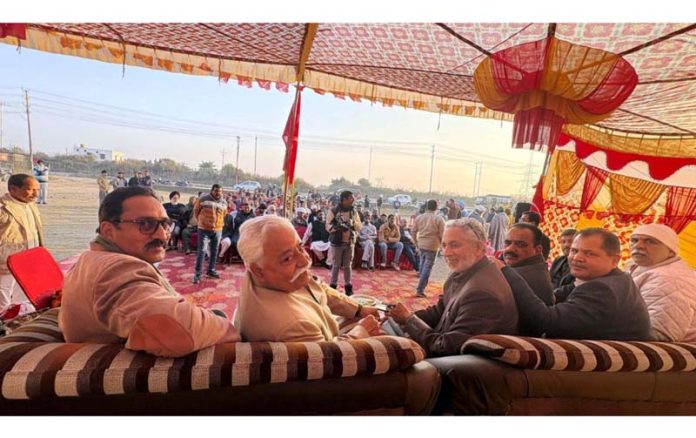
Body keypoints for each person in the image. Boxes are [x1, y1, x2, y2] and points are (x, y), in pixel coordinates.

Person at [58, 186, 239, 357]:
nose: (161, 235)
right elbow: (176, 329)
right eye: (145, 224)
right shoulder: (115, 271)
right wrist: (230, 329)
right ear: (108, 230)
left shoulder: (92, 260)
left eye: (164, 224)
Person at [233, 215, 381, 342]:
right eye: (287, 258)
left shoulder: (271, 276)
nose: (304, 260)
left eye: (300, 247)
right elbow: (331, 359)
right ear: (257, 270)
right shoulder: (293, 326)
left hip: (326, 325)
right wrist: (360, 331)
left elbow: (317, 287)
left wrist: (359, 310)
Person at [386, 219, 518, 357]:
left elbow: (446, 348)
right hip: (440, 346)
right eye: (444, 245)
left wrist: (409, 320)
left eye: (454, 245)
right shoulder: (462, 272)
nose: (446, 253)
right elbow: (439, 312)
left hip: (452, 366)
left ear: (479, 248)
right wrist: (399, 317)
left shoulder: (483, 295)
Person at [504, 228, 652, 340]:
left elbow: (545, 321)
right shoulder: (613, 278)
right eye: (574, 251)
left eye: (589, 254)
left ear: (614, 260)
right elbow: (564, 292)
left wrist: (506, 272)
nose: (577, 258)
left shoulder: (604, 290)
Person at [625, 224, 696, 342]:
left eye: (649, 241)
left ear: (671, 252)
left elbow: (659, 334)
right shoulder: (638, 269)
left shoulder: (669, 278)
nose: (638, 245)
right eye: (634, 240)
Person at [0, 174, 42, 317]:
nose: (36, 194)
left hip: (28, 259)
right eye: (31, 189)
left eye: (38, 189)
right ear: (13, 189)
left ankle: (19, 322)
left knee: (24, 297)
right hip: (5, 262)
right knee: (3, 296)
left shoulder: (31, 206)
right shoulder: (2, 207)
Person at [502, 223, 554, 305]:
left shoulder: (524, 276)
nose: (510, 248)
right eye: (507, 243)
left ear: (538, 250)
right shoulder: (535, 267)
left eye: (521, 245)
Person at [326, 190, 362, 296]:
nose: (353, 199)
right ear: (344, 199)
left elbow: (359, 226)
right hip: (337, 242)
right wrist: (336, 228)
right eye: (351, 198)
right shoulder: (333, 210)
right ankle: (333, 286)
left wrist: (353, 223)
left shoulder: (354, 211)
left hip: (350, 242)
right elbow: (327, 226)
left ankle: (348, 287)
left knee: (348, 265)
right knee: (336, 265)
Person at [192, 184, 227, 284]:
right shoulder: (203, 199)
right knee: (202, 251)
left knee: (214, 251)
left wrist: (218, 225)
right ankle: (197, 274)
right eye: (216, 191)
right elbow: (196, 211)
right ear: (211, 190)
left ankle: (211, 270)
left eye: (220, 191)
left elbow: (224, 214)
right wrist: (202, 221)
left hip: (218, 230)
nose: (218, 193)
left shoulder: (224, 202)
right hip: (203, 229)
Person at [412, 199, 445, 298]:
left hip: (421, 244)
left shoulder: (420, 217)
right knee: (427, 267)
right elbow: (442, 234)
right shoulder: (439, 219)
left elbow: (413, 231)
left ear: (426, 207)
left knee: (423, 264)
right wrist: (442, 245)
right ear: (436, 207)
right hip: (432, 245)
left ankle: (420, 285)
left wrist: (416, 243)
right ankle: (420, 290)